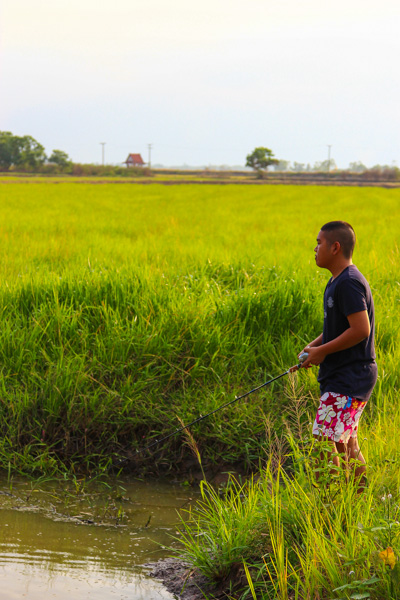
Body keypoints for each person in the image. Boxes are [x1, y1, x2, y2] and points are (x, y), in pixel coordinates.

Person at [298, 221, 377, 489]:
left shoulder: (349, 283)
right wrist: (314, 348)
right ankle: (356, 502)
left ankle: (329, 504)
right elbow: (339, 328)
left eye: (319, 243)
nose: (315, 248)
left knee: (323, 439)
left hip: (350, 376)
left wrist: (322, 351)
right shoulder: (336, 282)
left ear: (335, 247)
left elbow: (360, 329)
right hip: (345, 375)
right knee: (346, 442)